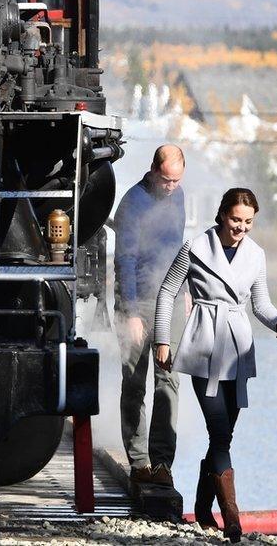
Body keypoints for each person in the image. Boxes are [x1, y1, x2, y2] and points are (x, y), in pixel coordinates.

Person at [153, 188, 277, 543]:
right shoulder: (195, 247)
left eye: (248, 222)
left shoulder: (256, 255)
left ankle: (201, 509)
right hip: (203, 344)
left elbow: (260, 302)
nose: (241, 228)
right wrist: (162, 340)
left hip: (238, 347)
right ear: (222, 215)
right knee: (219, 431)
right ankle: (231, 516)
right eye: (236, 220)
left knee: (224, 434)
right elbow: (167, 291)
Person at [113, 145, 188, 487]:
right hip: (138, 300)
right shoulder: (133, 203)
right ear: (154, 170)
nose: (171, 186)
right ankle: (139, 461)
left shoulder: (179, 196)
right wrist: (130, 313)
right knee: (134, 383)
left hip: (169, 300)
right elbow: (124, 261)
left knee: (168, 381)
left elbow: (178, 249)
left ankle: (162, 463)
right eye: (166, 179)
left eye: (177, 180)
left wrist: (185, 290)